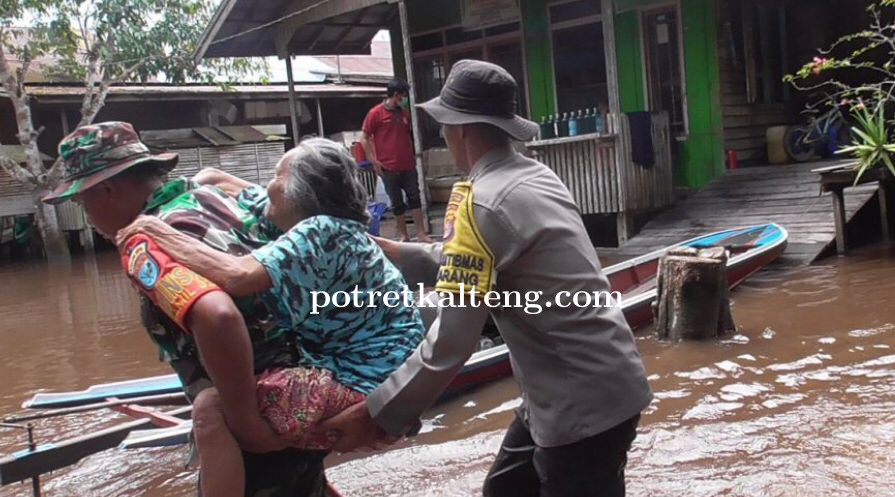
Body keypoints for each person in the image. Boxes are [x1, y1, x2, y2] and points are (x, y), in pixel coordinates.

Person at [322, 60, 654, 497]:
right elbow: (468, 261)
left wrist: (375, 414)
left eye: (442, 126)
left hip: (579, 408)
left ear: (457, 129)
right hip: (593, 384)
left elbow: (450, 342)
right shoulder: (535, 177)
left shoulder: (482, 204)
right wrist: (390, 252)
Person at [115, 138, 426, 497]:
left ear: (300, 194)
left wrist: (154, 230)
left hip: (363, 390)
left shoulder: (319, 232)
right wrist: (210, 178)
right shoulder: (331, 224)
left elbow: (236, 276)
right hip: (387, 381)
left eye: (278, 176)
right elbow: (239, 188)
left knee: (211, 409)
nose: (268, 185)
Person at [41, 122, 328, 497]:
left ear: (108, 190)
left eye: (82, 202)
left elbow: (217, 316)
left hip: (258, 410)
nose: (88, 216)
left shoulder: (147, 241)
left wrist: (245, 422)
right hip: (313, 388)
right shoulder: (220, 199)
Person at [361, 77, 433, 243]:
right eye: (402, 95)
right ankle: (404, 235)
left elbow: (408, 136)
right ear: (395, 95)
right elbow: (364, 138)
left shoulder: (404, 112)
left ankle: (421, 233)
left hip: (407, 164)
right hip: (388, 166)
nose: (404, 99)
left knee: (415, 197)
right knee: (396, 202)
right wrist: (373, 160)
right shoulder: (376, 113)